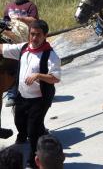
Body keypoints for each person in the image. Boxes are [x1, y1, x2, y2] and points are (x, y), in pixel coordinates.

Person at [0, 19, 61, 169]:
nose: (34, 38)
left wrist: (39, 76)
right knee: (19, 122)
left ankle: (34, 161)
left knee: (32, 132)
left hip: (40, 98)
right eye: (32, 34)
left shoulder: (50, 55)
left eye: (38, 35)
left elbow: (55, 78)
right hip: (23, 96)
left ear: (45, 35)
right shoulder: (23, 48)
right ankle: (42, 132)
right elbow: (2, 48)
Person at [4, 0, 39, 107]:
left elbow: (34, 21)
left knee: (22, 65)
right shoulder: (9, 6)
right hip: (10, 37)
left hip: (25, 38)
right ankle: (11, 93)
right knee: (7, 64)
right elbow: (5, 21)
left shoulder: (30, 6)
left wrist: (19, 18)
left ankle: (17, 94)